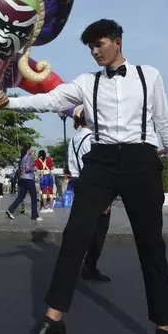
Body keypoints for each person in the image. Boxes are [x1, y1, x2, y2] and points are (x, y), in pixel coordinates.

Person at [0, 19, 168, 334]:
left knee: (151, 245)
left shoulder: (149, 76)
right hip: (101, 161)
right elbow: (50, 100)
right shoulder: (85, 82)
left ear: (117, 41)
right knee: (74, 237)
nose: (94, 51)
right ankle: (53, 319)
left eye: (99, 44)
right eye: (90, 47)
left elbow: (165, 122)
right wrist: (9, 101)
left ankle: (163, 326)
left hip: (141, 160)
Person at [67, 106, 111, 282]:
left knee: (82, 228)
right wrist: (105, 198)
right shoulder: (92, 140)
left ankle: (73, 266)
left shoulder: (74, 140)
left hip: (79, 184)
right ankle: (89, 267)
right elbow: (98, 169)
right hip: (94, 186)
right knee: (98, 232)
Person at [5, 144, 41, 221]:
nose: (33, 149)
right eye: (31, 148)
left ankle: (10, 210)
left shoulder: (23, 158)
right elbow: (27, 169)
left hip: (22, 179)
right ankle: (34, 216)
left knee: (21, 196)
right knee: (34, 197)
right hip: (29, 179)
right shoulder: (28, 157)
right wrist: (34, 168)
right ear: (28, 149)